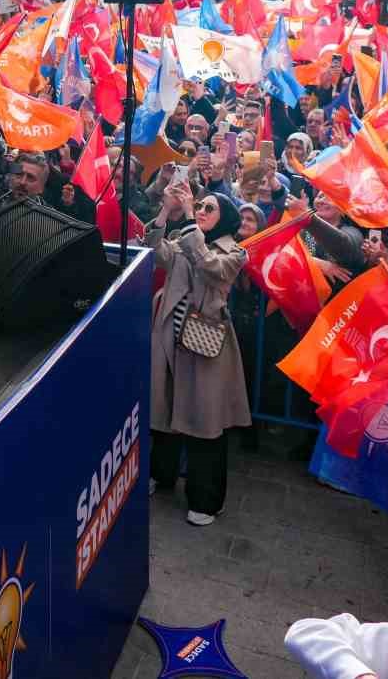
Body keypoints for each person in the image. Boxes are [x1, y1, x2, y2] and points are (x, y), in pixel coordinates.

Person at [144, 182, 250, 527]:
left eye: (208, 208)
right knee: (165, 408)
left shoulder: (235, 252)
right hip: (169, 338)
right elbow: (154, 250)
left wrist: (189, 216)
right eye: (200, 206)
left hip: (205, 345)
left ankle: (206, 499)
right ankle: (161, 474)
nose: (201, 211)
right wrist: (166, 208)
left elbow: (209, 267)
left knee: (204, 421)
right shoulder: (184, 237)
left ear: (225, 218)